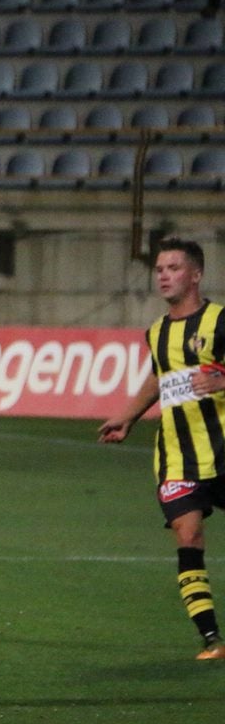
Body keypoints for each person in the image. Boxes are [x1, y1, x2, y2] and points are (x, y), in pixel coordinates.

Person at [98, 238, 225, 661]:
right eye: (159, 269)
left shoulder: (220, 321)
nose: (164, 276)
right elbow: (159, 376)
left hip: (223, 450)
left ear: (195, 274)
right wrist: (129, 415)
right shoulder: (156, 331)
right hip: (176, 457)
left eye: (173, 267)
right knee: (187, 534)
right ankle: (212, 639)